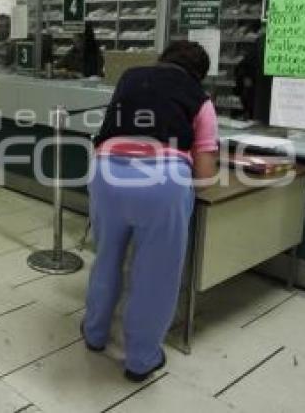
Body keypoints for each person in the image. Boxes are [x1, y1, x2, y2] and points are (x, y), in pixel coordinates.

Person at [82, 41, 218, 382]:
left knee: (107, 257)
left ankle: (95, 333)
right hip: (162, 181)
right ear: (199, 75)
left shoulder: (129, 78)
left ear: (161, 60)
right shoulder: (200, 99)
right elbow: (204, 177)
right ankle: (141, 359)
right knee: (155, 274)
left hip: (106, 174)